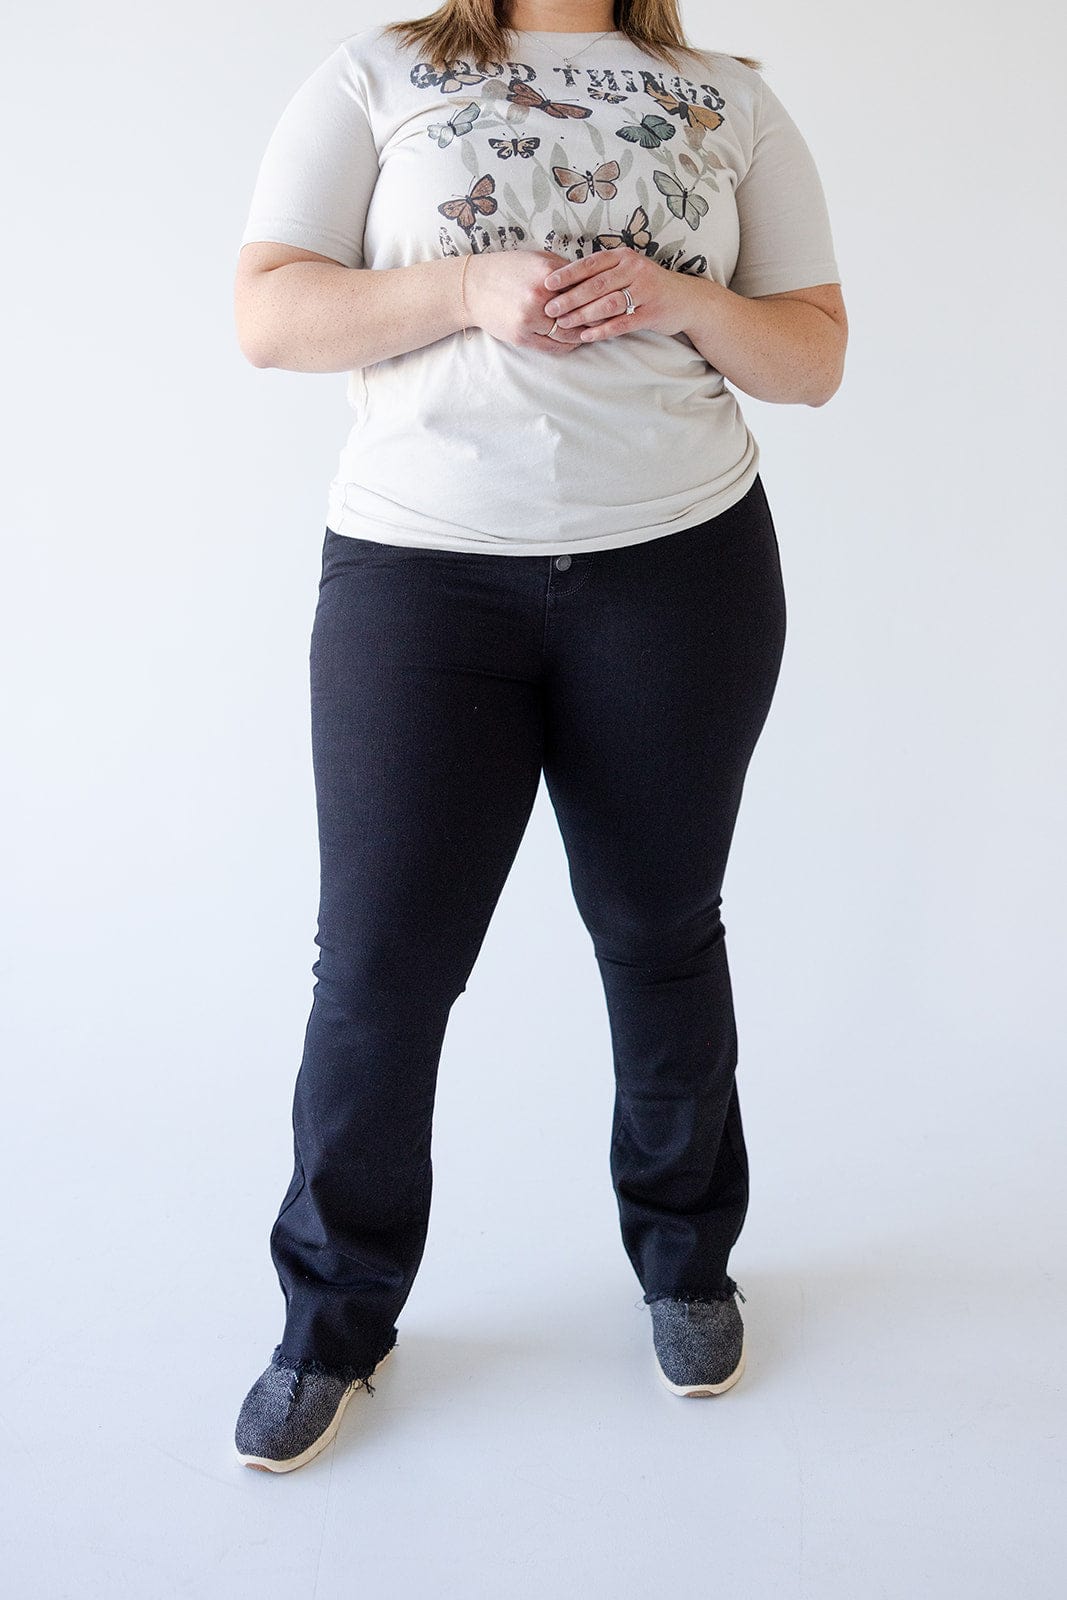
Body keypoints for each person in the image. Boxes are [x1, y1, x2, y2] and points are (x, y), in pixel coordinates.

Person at [231, 0, 846, 1473]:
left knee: (658, 928)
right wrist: (468, 290)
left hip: (681, 568)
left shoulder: (726, 100)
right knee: (381, 964)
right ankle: (333, 1318)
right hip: (420, 577)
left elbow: (813, 355)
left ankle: (686, 1261)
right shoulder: (381, 72)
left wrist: (681, 296)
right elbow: (268, 312)